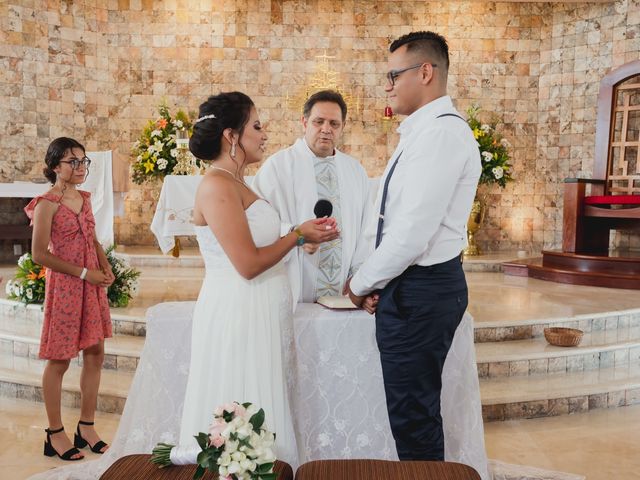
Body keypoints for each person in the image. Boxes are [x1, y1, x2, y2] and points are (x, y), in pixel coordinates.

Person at [177, 92, 339, 465]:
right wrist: (298, 236)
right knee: (243, 405)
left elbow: (262, 237)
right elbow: (247, 263)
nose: (264, 134)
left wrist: (301, 233)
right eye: (257, 126)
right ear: (232, 136)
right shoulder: (217, 185)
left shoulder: (241, 183)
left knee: (264, 405)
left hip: (260, 312)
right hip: (238, 313)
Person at [347, 31, 481, 461]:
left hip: (422, 290)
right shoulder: (422, 133)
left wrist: (360, 282)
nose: (387, 85)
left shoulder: (441, 135)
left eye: (393, 74)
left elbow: (411, 234)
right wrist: (379, 281)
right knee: (411, 415)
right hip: (410, 286)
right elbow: (388, 220)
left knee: (414, 421)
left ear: (425, 72)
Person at [25, 137, 115, 461]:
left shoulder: (85, 199)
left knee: (95, 352)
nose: (80, 168)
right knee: (60, 359)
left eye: (83, 161)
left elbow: (91, 236)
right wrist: (82, 273)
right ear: (54, 167)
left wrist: (105, 266)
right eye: (72, 162)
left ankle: (86, 427)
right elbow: (38, 255)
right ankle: (55, 433)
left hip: (91, 285)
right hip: (66, 287)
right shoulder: (46, 203)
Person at [252, 90, 373, 303]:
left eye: (334, 124)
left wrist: (358, 276)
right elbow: (258, 223)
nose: (326, 129)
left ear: (342, 127)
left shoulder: (355, 171)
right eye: (319, 122)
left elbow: (366, 229)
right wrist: (296, 236)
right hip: (294, 281)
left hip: (343, 288)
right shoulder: (278, 167)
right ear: (304, 122)